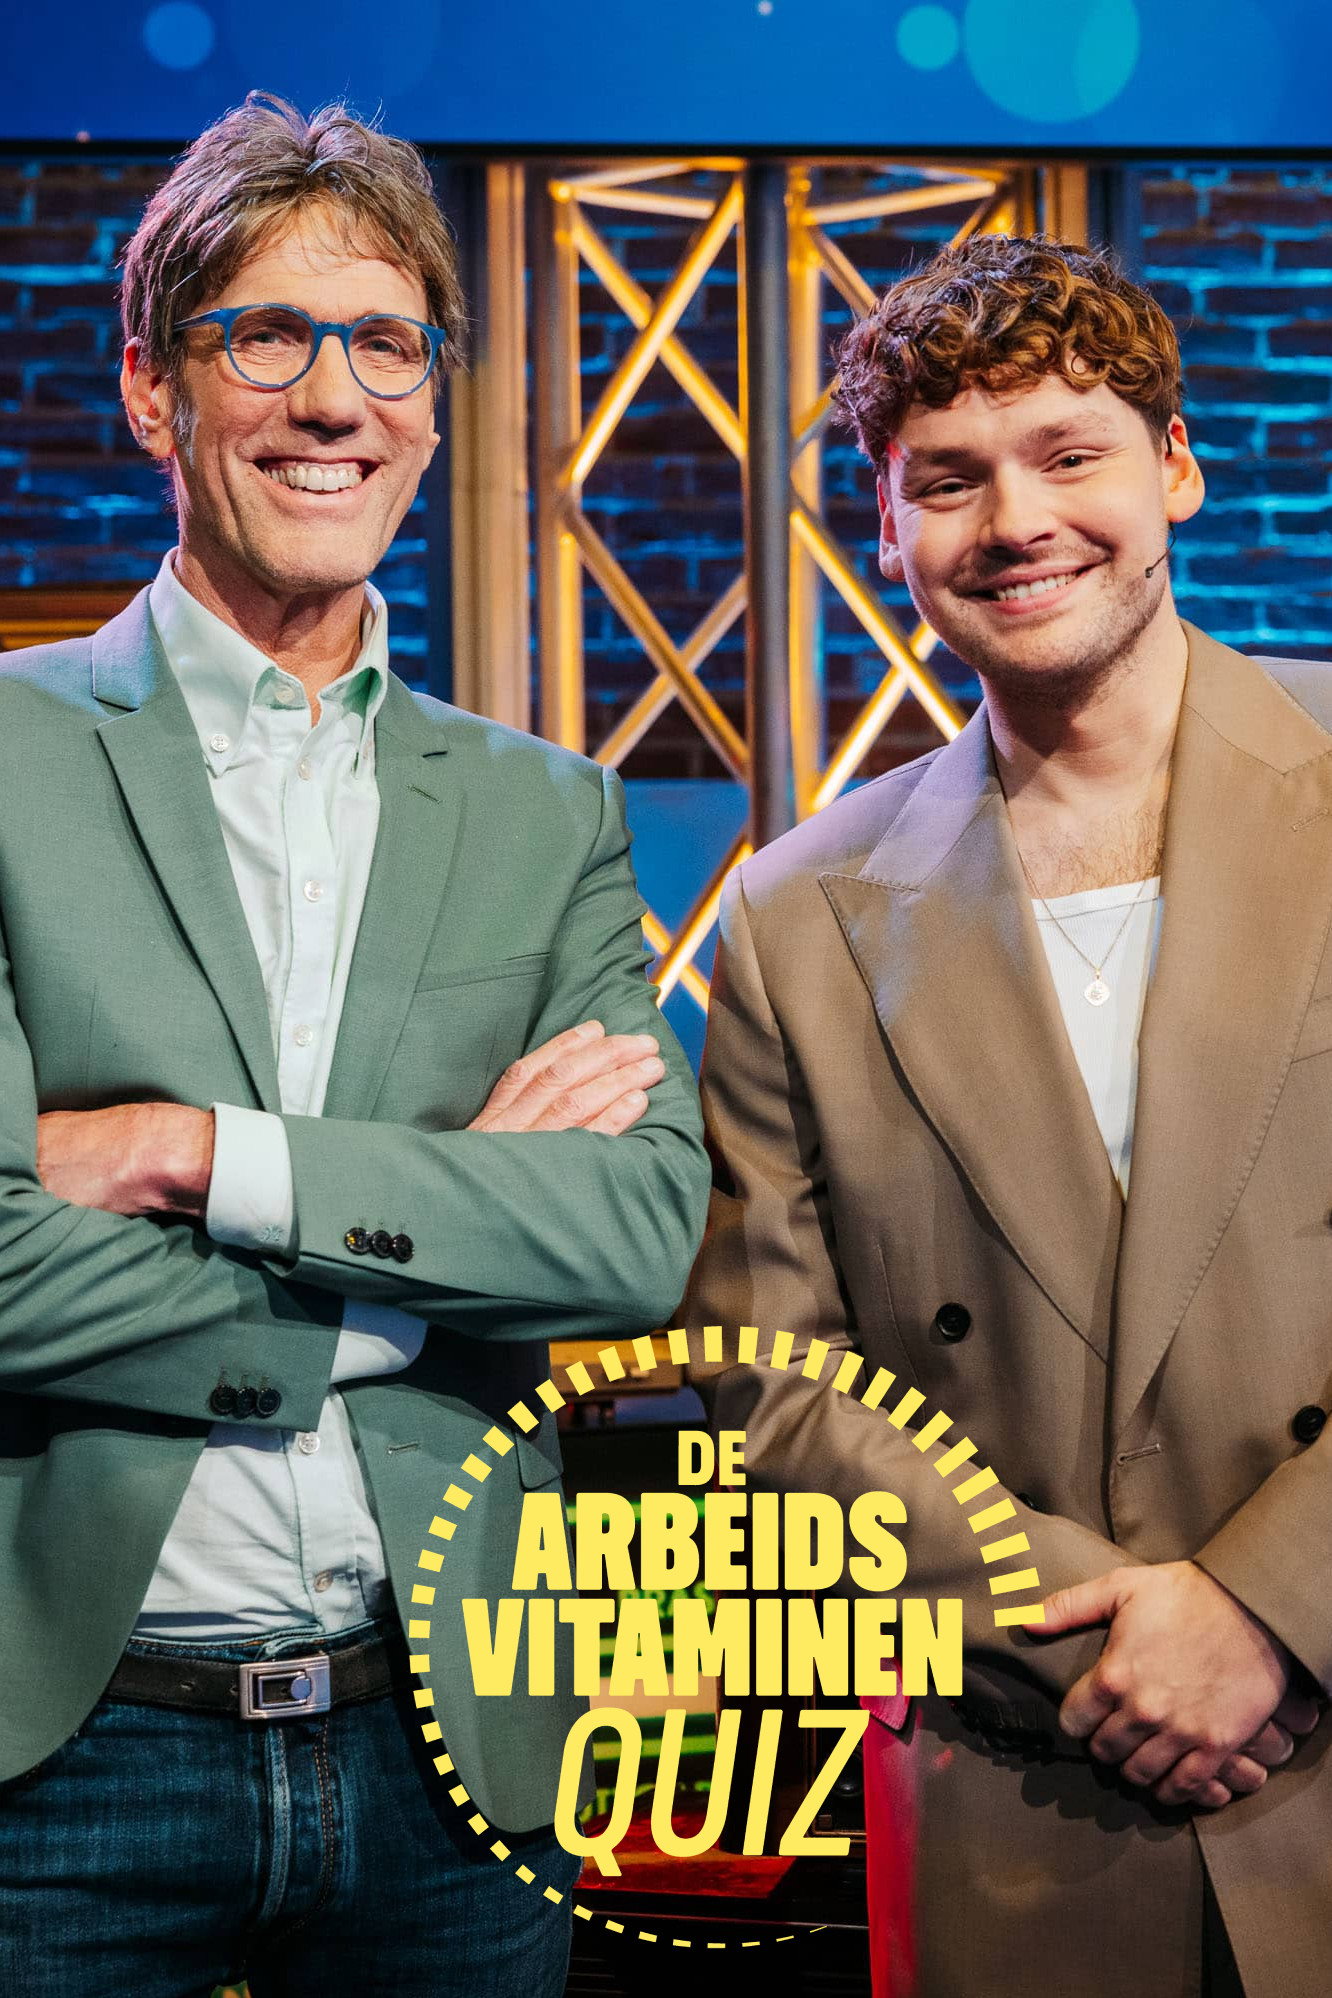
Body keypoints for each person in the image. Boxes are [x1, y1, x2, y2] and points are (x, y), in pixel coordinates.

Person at [0, 93, 709, 1997]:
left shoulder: (547, 808)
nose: (334, 397)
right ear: (152, 390)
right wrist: (441, 1235)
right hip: (67, 1762)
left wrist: (195, 1152)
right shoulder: (5, 756)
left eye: (386, 342)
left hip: (450, 1762)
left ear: (432, 404)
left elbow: (637, 1232)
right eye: (268, 336)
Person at [684, 235, 1332, 1998]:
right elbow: (774, 1386)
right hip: (1028, 1783)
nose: (1016, 521)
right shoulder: (796, 912)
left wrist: (1271, 1604)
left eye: (1068, 454)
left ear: (1177, 466)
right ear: (889, 531)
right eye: (950, 480)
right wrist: (1112, 1644)